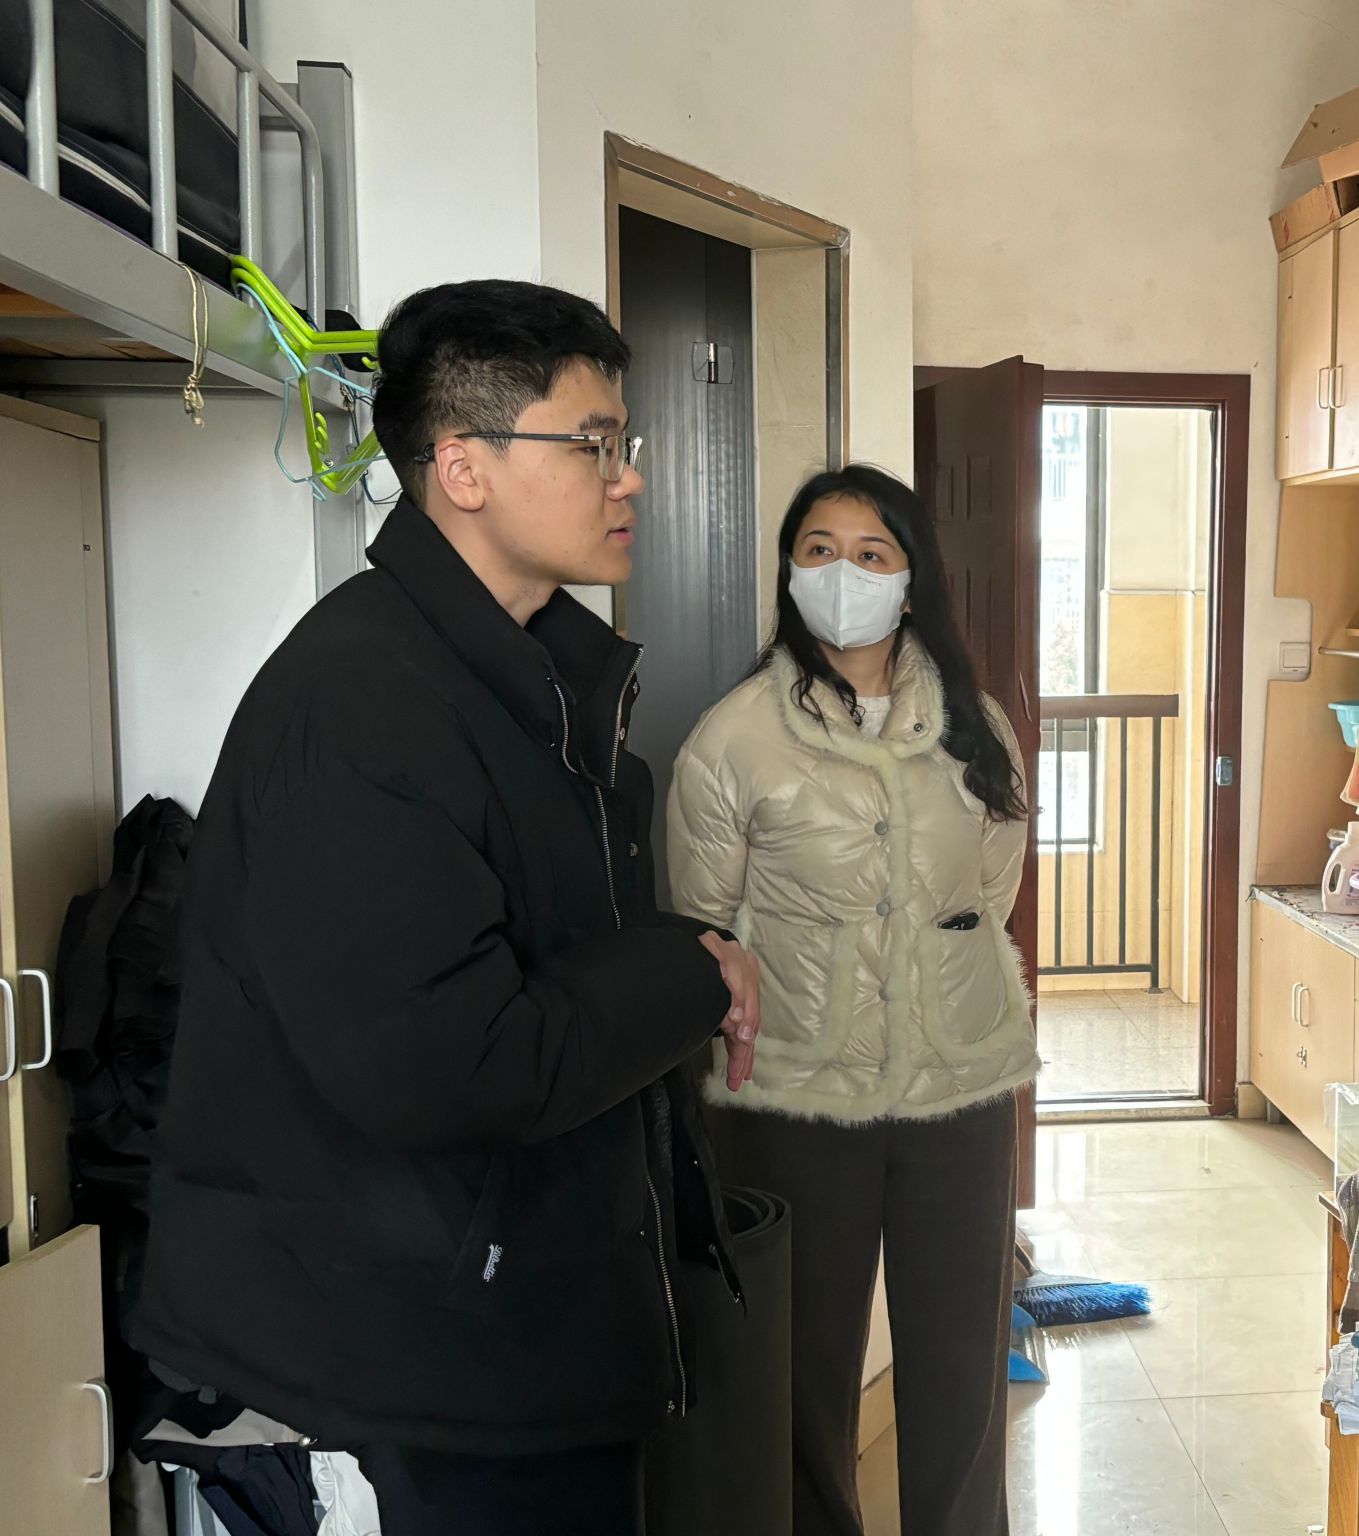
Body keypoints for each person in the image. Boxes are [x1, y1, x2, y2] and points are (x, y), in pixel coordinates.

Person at [135, 279, 762, 1536]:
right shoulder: (363, 703)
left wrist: (678, 957)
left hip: (515, 1311)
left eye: (623, 442)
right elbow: (447, 1066)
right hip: (436, 1344)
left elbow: (546, 941)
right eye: (592, 444)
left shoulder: (528, 676)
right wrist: (692, 977)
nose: (628, 477)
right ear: (462, 468)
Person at [666, 465, 1036, 1536]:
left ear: (911, 583)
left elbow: (988, 891)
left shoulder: (975, 728)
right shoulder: (732, 736)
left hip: (958, 1084)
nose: (844, 574)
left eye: (872, 555)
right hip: (793, 1093)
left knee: (961, 1369)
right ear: (790, 573)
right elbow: (701, 926)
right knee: (803, 1372)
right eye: (819, 551)